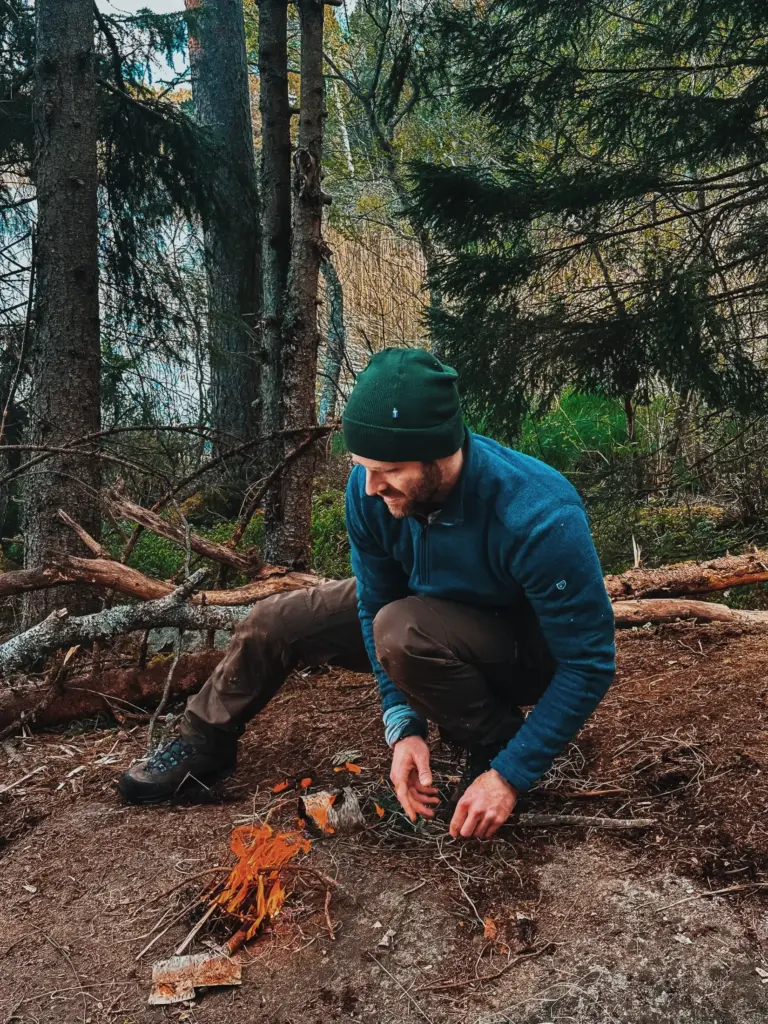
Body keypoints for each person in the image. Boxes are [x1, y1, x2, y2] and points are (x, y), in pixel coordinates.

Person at [119, 348, 615, 838]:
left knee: (401, 631)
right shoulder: (370, 489)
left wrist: (510, 774)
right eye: (363, 465)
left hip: (517, 645)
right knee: (275, 620)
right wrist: (403, 723)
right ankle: (203, 743)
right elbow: (374, 602)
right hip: (417, 611)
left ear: (440, 451)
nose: (371, 485)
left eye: (389, 469)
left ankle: (494, 739)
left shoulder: (538, 513)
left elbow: (588, 661)